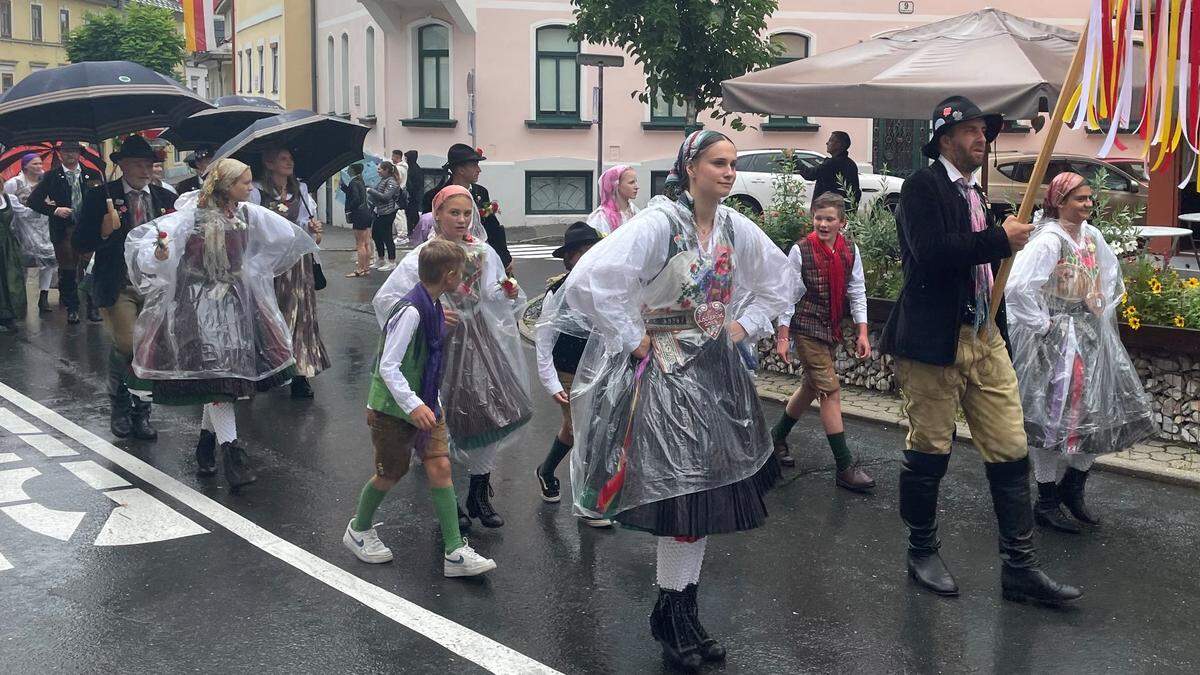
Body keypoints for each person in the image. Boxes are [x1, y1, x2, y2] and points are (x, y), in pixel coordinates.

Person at [547, 130, 796, 670]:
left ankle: (681, 612)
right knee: (683, 498)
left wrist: (743, 326)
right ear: (690, 169)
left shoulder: (733, 225)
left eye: (732, 163)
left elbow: (780, 279)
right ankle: (671, 612)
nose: (729, 172)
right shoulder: (660, 222)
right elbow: (591, 279)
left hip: (716, 376)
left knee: (704, 500)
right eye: (718, 163)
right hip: (664, 376)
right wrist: (631, 336)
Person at [879, 95, 1080, 606]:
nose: (981, 138)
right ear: (945, 139)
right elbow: (932, 254)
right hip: (933, 342)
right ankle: (921, 550)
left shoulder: (974, 190)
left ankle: (1020, 567)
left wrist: (998, 236)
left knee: (1011, 447)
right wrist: (998, 238)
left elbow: (981, 258)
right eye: (970, 130)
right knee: (929, 449)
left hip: (983, 334)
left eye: (983, 131)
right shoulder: (923, 187)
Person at [124, 158, 318, 489]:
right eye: (244, 182)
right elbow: (158, 248)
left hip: (236, 307)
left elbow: (282, 237)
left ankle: (205, 445)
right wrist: (159, 253)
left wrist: (307, 233)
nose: (249, 187)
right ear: (227, 186)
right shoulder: (192, 216)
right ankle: (232, 454)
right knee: (219, 382)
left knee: (220, 381)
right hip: (197, 308)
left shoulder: (246, 214)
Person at [375, 185, 533, 532]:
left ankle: (479, 491)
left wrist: (506, 290)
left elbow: (491, 290)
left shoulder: (483, 251)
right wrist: (430, 312)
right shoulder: (424, 255)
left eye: (466, 213)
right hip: (438, 347)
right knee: (441, 422)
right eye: (454, 213)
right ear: (438, 214)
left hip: (478, 343)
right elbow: (388, 300)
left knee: (489, 415)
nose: (462, 220)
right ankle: (448, 501)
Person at [1005, 172, 1154, 533]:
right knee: (1051, 420)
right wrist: (1043, 324)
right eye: (1079, 199)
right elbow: (1018, 287)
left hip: (1090, 339)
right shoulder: (1049, 240)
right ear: (1059, 201)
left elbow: (1108, 275)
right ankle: (1046, 498)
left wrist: (1099, 300)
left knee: (1098, 415)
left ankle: (1073, 487)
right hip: (1056, 343)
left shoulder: (1091, 236)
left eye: (1089, 198)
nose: (1088, 204)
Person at [344, 238, 497, 578]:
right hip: (394, 408)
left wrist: (428, 401)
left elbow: (426, 359)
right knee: (390, 472)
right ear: (449, 275)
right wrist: (413, 405)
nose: (464, 279)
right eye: (461, 274)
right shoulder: (412, 310)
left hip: (426, 403)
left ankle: (455, 550)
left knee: (440, 466)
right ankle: (358, 528)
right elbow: (388, 365)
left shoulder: (432, 305)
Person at [74, 135, 178, 441]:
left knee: (149, 350)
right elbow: (81, 243)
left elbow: (175, 239)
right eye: (137, 164)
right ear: (121, 166)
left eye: (149, 164)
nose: (145, 170)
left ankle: (140, 411)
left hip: (155, 285)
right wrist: (104, 231)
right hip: (118, 282)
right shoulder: (99, 198)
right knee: (128, 343)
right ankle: (119, 406)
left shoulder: (163, 199)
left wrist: (166, 249)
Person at [770, 191, 876, 492]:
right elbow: (787, 295)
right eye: (818, 218)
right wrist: (783, 333)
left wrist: (863, 331)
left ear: (841, 222)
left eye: (830, 219)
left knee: (811, 387)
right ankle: (844, 467)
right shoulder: (800, 250)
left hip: (830, 328)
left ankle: (776, 439)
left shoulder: (851, 250)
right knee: (830, 391)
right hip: (806, 327)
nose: (823, 224)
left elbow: (857, 291)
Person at [533, 221, 612, 528]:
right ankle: (589, 501)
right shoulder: (558, 293)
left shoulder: (607, 288)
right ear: (570, 258)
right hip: (567, 371)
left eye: (593, 250)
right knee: (586, 431)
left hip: (600, 369)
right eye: (582, 252)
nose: (589, 257)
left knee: (575, 427)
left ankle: (546, 469)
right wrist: (551, 382)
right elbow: (544, 339)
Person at [250, 145, 329, 400]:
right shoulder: (256, 193)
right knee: (271, 318)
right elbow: (251, 230)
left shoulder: (301, 191)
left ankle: (300, 374)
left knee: (301, 319)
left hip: (298, 265)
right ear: (269, 163)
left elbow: (308, 228)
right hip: (269, 266)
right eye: (283, 158)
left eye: (290, 158)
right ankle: (269, 369)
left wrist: (314, 230)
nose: (289, 162)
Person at [28, 141, 104, 323]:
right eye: (66, 150)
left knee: (91, 267)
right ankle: (72, 308)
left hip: (88, 228)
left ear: (79, 153)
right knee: (68, 269)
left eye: (74, 150)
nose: (70, 154)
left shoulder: (92, 174)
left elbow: (101, 199)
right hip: (64, 229)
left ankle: (93, 307)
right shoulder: (52, 176)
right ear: (60, 153)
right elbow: (33, 201)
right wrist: (54, 210)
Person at [421, 144, 512, 272]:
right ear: (461, 170)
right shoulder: (435, 196)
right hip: (447, 261)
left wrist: (504, 258)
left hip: (479, 259)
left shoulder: (481, 192)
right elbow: (429, 232)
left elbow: (492, 228)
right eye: (474, 165)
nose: (479, 170)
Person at [4, 154, 57, 314]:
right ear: (26, 166)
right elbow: (6, 200)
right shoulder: (14, 183)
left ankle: (44, 296)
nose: (39, 166)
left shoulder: (46, 181)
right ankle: (19, 296)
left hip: (42, 226)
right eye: (35, 163)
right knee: (22, 262)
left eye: (40, 163)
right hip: (21, 227)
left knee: (48, 260)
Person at [799, 131, 861, 210]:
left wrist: (794, 160)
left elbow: (810, 174)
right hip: (840, 210)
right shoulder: (850, 163)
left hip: (829, 210)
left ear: (838, 144)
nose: (827, 143)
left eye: (831, 140)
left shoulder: (834, 163)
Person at [366, 161, 401, 271]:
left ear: (386, 170)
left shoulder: (392, 182)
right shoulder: (383, 180)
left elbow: (386, 197)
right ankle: (381, 259)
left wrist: (370, 191)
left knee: (387, 237)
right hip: (379, 212)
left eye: (380, 169)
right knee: (376, 235)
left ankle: (392, 261)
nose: (378, 171)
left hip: (387, 212)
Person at [586, 165, 640, 235]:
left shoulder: (635, 212)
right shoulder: (601, 218)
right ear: (616, 185)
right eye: (631, 182)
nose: (637, 187)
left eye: (636, 182)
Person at [341, 164, 375, 277]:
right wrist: (345, 188)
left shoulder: (354, 182)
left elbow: (355, 198)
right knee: (366, 242)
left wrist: (350, 207)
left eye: (349, 169)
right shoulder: (361, 181)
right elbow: (356, 194)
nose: (348, 171)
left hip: (359, 214)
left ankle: (360, 269)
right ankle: (366, 268)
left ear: (353, 170)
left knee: (360, 243)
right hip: (366, 213)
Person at [0, 186, 25, 333]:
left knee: (11, 279)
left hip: (7, 245)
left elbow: (25, 213)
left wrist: (49, 209)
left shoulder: (9, 199)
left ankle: (9, 315)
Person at [403, 150, 424, 236]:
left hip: (412, 196)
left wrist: (409, 191)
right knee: (413, 214)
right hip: (414, 196)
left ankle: (412, 230)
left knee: (411, 214)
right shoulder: (415, 168)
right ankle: (414, 230)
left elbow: (413, 184)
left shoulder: (413, 169)